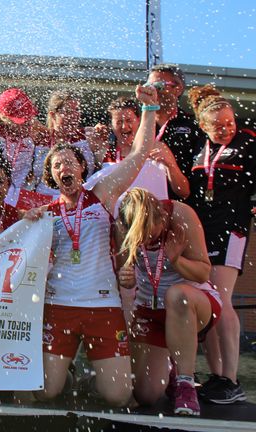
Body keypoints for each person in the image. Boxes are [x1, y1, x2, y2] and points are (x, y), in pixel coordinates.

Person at [26, 83, 160, 407]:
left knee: (118, 396)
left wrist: (149, 110)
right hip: (60, 308)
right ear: (51, 177)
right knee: (46, 391)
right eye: (57, 165)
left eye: (70, 161)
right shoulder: (45, 214)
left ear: (82, 168)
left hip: (103, 307)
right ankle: (66, 373)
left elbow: (140, 153)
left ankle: (93, 375)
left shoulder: (102, 193)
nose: (64, 167)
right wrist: (24, 223)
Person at [117, 188, 220, 416]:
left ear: (160, 216)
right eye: (140, 236)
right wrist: (126, 278)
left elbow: (204, 272)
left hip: (193, 303)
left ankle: (186, 383)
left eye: (150, 232)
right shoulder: (122, 224)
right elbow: (124, 272)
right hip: (150, 308)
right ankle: (170, 371)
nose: (147, 239)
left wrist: (176, 260)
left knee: (176, 295)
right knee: (145, 395)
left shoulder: (181, 215)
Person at [186, 84, 255, 404]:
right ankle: (216, 377)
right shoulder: (199, 147)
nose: (227, 129)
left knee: (222, 298)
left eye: (231, 122)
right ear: (203, 126)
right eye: (218, 125)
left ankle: (231, 377)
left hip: (233, 228)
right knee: (207, 300)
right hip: (203, 229)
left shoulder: (249, 142)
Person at [0, 88, 53, 210]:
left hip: (19, 196)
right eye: (21, 121)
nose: (27, 124)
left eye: (28, 118)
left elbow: (54, 136)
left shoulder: (34, 128)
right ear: (4, 117)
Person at [146, 64, 201, 199]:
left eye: (158, 85)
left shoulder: (194, 125)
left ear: (177, 89)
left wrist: (170, 164)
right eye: (149, 85)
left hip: (179, 204)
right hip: (140, 204)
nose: (152, 90)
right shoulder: (139, 123)